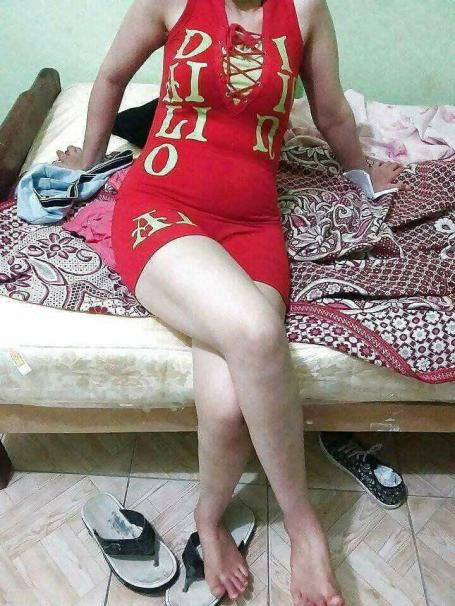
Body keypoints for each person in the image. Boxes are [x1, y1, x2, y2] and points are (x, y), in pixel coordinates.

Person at [55, 1, 407, 604]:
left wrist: (363, 176)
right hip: (161, 207)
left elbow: (330, 111)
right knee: (256, 332)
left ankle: (208, 518)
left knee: (225, 408)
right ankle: (304, 527)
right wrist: (86, 161)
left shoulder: (306, 10)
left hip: (253, 227)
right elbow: (112, 76)